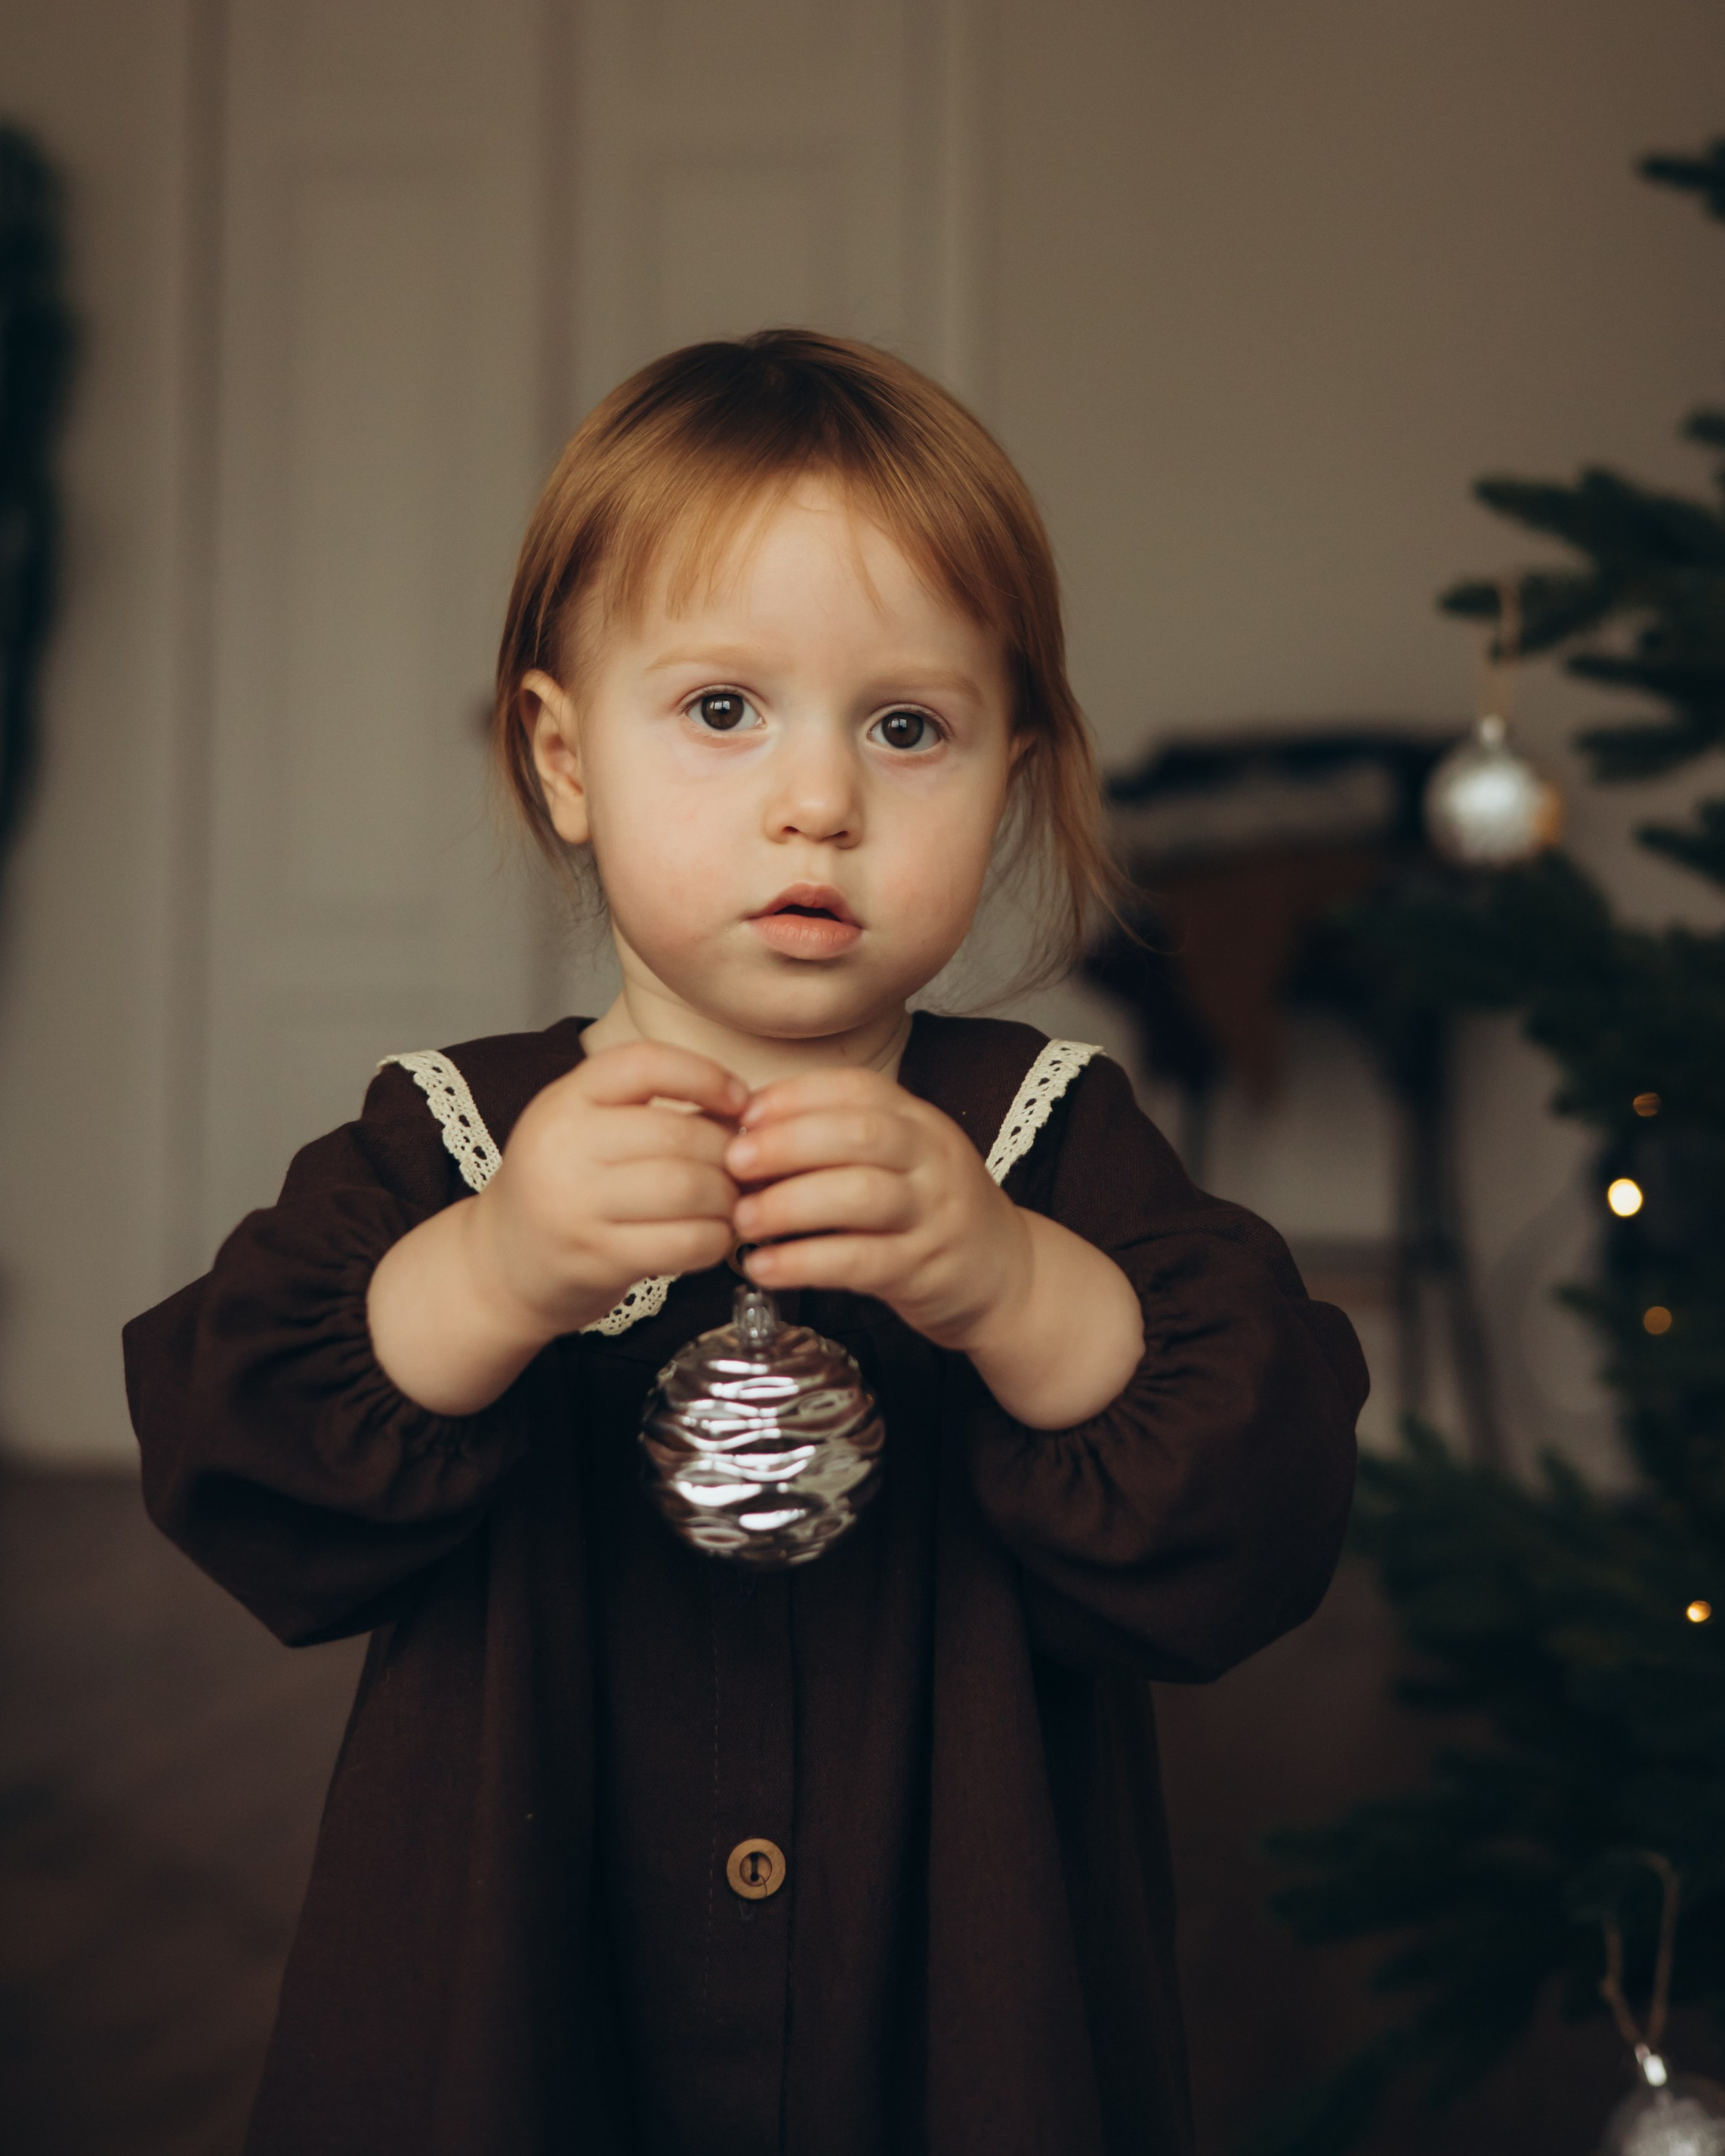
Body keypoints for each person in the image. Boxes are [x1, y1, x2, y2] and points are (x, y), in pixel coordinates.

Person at [125, 330, 1369, 2156]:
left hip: (949, 2006)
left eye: (906, 727)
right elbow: (231, 1448)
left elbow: (1257, 1513)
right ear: (563, 759)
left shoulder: (1044, 1138)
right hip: (527, 1992)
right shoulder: (456, 1137)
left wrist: (1017, 1290)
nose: (818, 802)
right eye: (722, 710)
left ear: (1011, 778)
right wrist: (489, 1273)